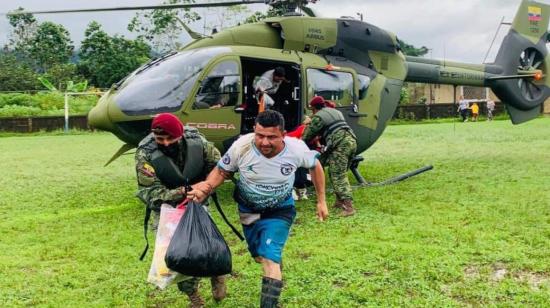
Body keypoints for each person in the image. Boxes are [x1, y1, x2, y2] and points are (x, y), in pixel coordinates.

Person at [188, 110, 328, 308]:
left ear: (284, 135)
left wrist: (321, 200)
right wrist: (206, 188)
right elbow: (222, 171)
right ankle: (275, 269)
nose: (264, 142)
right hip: (248, 209)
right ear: (254, 131)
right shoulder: (242, 146)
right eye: (260, 135)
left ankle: (271, 298)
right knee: (258, 255)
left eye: (272, 137)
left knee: (269, 257)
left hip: (280, 210)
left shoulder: (296, 149)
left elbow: (315, 166)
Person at [134, 113, 225, 308]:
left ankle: (216, 272)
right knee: (176, 256)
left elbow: (220, 167)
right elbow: (150, 192)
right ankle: (193, 295)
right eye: (160, 139)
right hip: (166, 208)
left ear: (181, 134)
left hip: (198, 201)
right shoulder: (145, 152)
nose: (166, 143)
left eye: (170, 138)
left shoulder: (198, 142)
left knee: (205, 245)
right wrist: (182, 192)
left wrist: (204, 187)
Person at [302, 96, 357, 217]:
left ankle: (348, 207)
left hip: (340, 144)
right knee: (336, 172)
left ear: (314, 108)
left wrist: (303, 133)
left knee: (338, 174)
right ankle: (339, 201)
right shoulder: (335, 111)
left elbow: (307, 135)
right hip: (351, 141)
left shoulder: (319, 116)